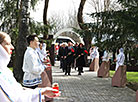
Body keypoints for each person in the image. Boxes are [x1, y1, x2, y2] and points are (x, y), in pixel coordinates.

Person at [0, 31, 58, 102]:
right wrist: (43, 67)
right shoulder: (30, 53)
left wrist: (42, 92)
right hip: (31, 80)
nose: (12, 47)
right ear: (31, 42)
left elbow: (18, 92)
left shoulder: (5, 71)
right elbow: (14, 97)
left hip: (34, 79)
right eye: (8, 44)